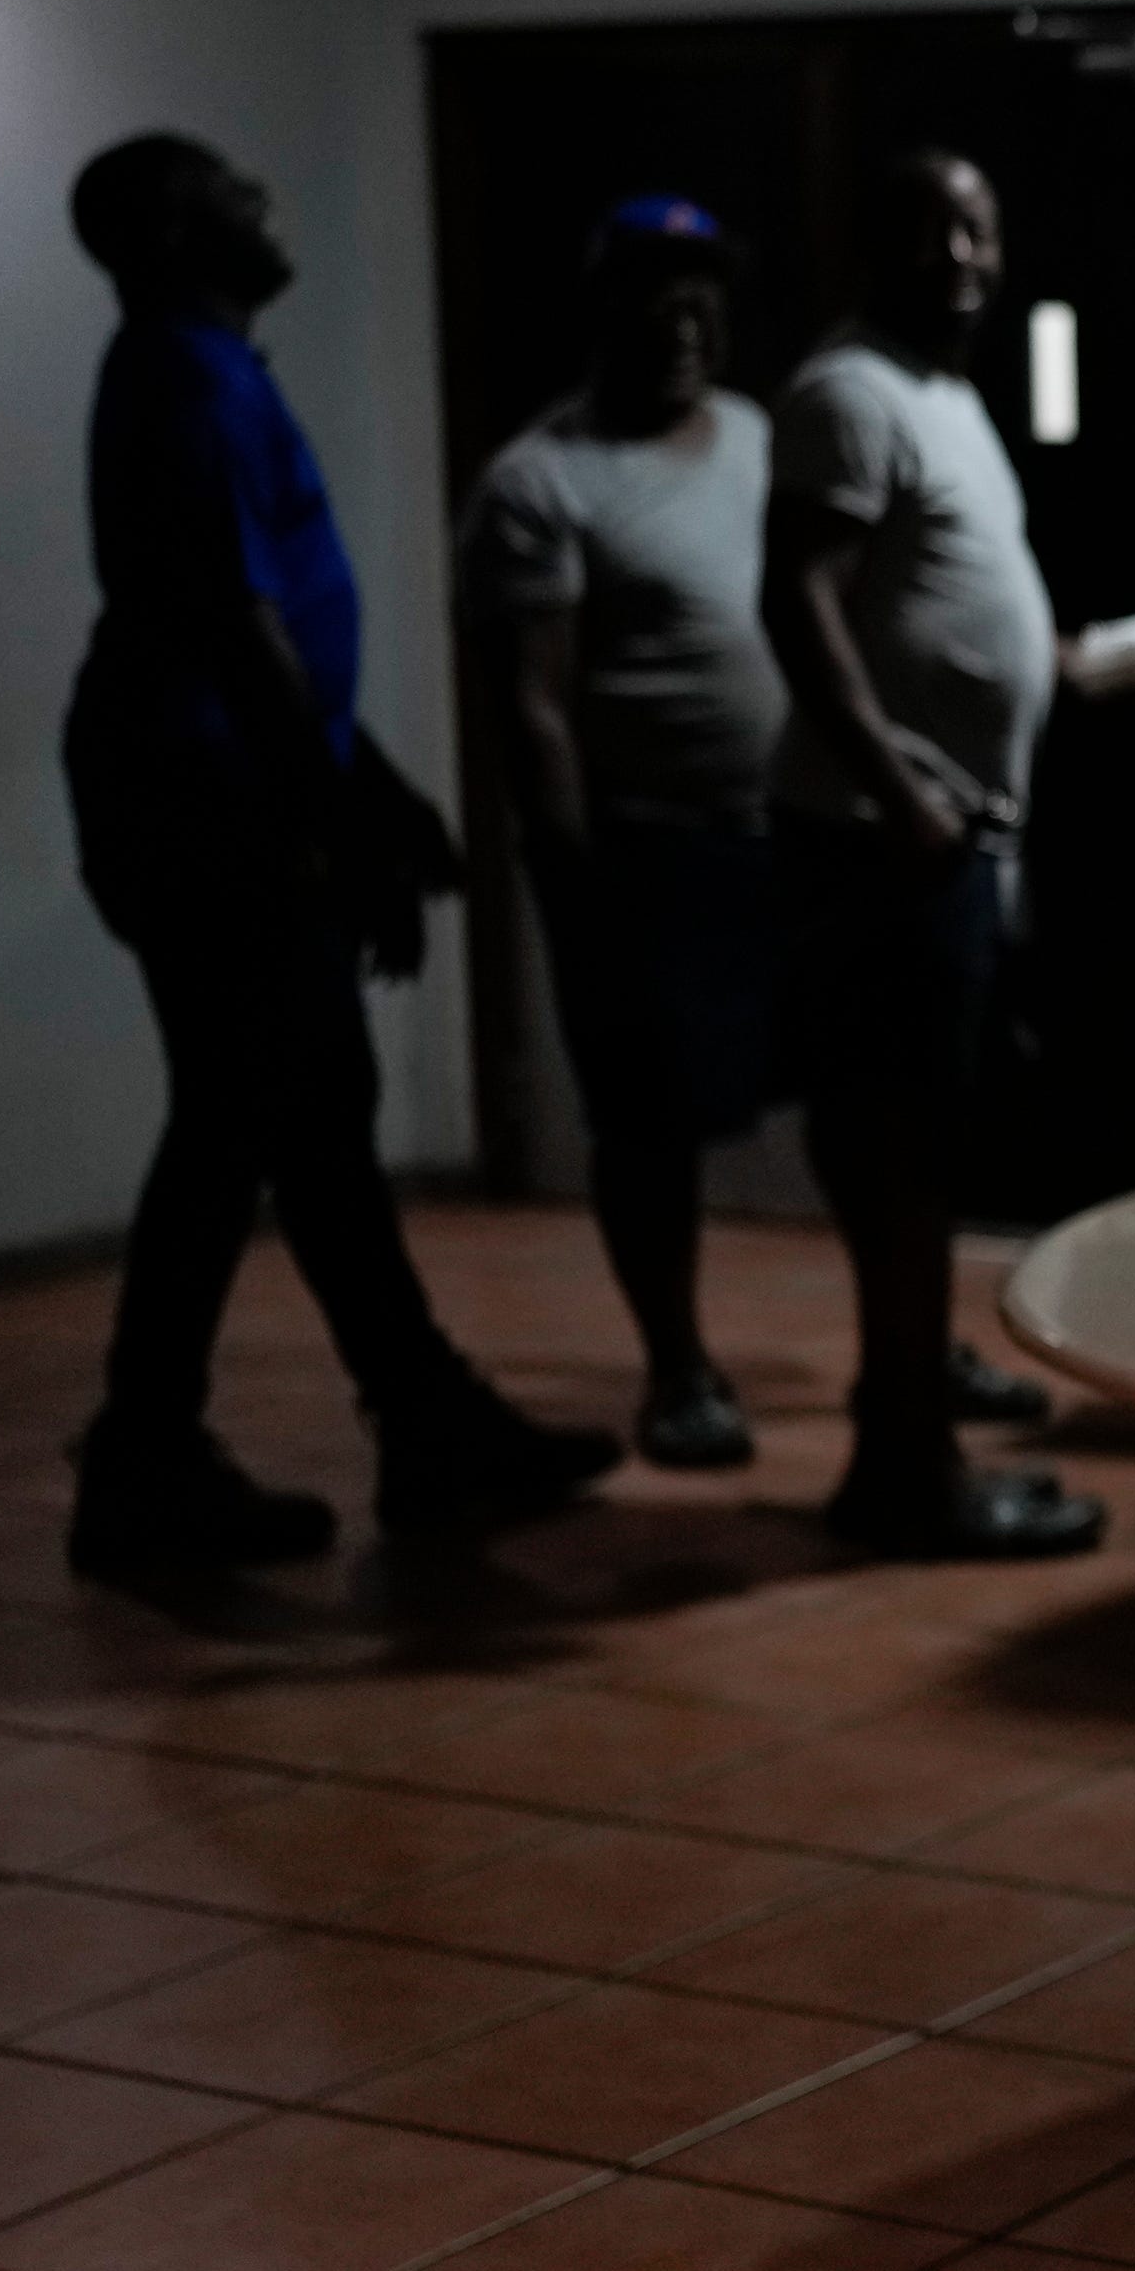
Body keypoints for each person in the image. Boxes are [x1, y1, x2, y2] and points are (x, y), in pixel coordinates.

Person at [58, 132, 618, 1606]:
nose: (264, 197)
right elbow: (236, 634)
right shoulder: (186, 381)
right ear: (173, 235)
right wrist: (345, 834)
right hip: (208, 808)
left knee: (306, 1113)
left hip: (227, 794)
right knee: (239, 1116)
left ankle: (418, 1417)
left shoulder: (206, 372)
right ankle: (146, 1455)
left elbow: (269, 637)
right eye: (229, 190)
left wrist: (372, 790)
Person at [757, 150, 1102, 1559]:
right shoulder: (847, 393)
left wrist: (1045, 658)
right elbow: (797, 603)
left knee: (923, 1155)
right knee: (897, 1158)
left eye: (977, 228)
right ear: (870, 247)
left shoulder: (941, 394)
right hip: (880, 845)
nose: (959, 255)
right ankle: (903, 1472)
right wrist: (898, 788)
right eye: (927, 231)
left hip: (945, 838)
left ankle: (906, 1430)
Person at [454, 196, 789, 1470]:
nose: (689, 318)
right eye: (661, 291)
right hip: (651, 850)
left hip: (786, 833)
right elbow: (531, 707)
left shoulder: (753, 435)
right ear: (606, 307)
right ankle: (677, 1366)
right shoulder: (540, 482)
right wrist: (571, 874)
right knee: (649, 1122)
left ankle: (909, 1348)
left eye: (706, 292)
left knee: (860, 1080)